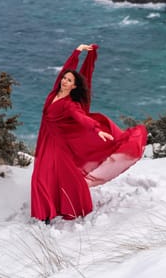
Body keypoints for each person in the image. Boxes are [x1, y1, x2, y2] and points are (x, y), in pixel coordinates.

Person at [30, 43, 147, 224]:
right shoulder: (55, 92)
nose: (65, 81)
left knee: (46, 176)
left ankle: (55, 211)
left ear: (74, 87)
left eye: (69, 80)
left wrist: (97, 129)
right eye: (64, 78)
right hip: (45, 140)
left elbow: (81, 118)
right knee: (46, 175)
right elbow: (67, 68)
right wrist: (77, 52)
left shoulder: (70, 104)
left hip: (57, 143)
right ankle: (47, 211)